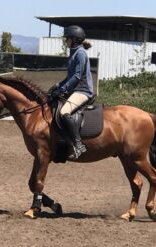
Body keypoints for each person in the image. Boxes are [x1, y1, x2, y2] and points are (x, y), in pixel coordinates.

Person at [49, 25, 94, 160]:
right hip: (75, 89)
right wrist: (57, 86)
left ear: (74, 39)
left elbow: (77, 76)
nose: (65, 41)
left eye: (67, 38)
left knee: (64, 112)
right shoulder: (74, 52)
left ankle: (79, 145)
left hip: (83, 90)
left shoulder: (80, 53)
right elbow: (70, 77)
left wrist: (63, 89)